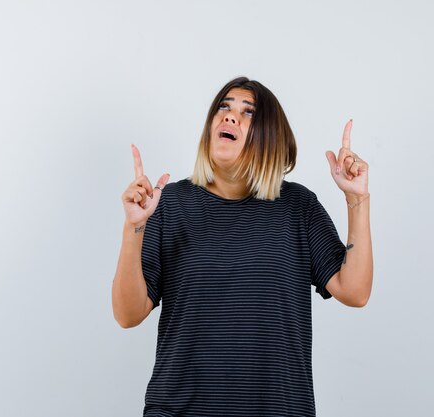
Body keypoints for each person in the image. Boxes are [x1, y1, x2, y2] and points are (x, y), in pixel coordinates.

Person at [112, 77, 373, 417]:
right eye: (224, 107)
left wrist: (358, 199)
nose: (230, 116)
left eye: (247, 112)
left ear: (270, 137)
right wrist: (134, 227)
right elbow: (127, 314)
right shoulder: (170, 204)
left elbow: (355, 291)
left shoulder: (298, 206)